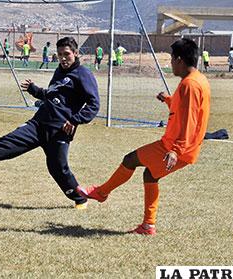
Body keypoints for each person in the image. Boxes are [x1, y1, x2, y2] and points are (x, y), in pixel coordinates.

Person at [0, 37, 100, 209]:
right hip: (38, 124)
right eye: (60, 54)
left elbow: (94, 104)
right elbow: (54, 95)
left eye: (67, 54)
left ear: (76, 53)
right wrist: (36, 91)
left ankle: (80, 199)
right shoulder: (60, 71)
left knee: (58, 168)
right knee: (5, 145)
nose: (63, 58)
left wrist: (75, 120)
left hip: (59, 131)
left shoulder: (83, 74)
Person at [77, 38, 211, 235]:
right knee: (150, 174)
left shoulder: (189, 85)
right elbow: (184, 110)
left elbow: (189, 121)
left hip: (175, 147)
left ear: (180, 60)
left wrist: (175, 150)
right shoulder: (198, 79)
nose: (171, 63)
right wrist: (168, 99)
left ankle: (102, 192)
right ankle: (148, 225)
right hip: (184, 146)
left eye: (172, 59)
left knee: (130, 159)